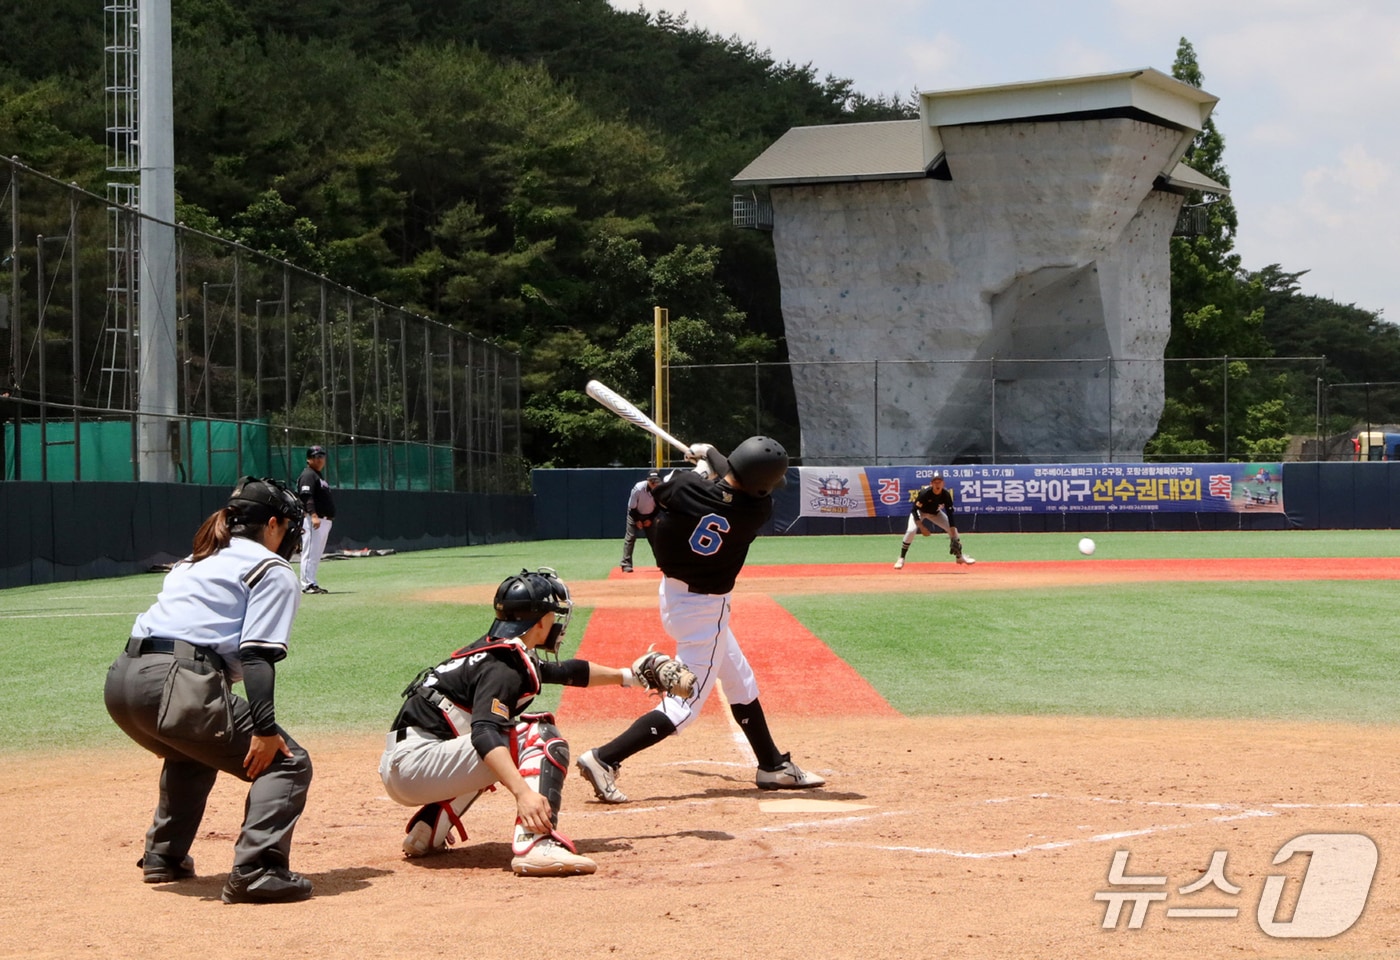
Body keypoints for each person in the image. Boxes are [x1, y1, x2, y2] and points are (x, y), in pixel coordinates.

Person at [576, 436, 825, 804]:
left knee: (739, 677)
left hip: (677, 596)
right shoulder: (758, 510)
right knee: (684, 705)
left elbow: (664, 492)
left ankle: (771, 764)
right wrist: (710, 457)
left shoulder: (684, 487)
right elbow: (733, 486)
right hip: (703, 612)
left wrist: (702, 465)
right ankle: (604, 758)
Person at [103, 477, 315, 905]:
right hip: (175, 684)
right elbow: (256, 655)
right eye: (288, 525)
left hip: (122, 683)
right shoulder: (270, 569)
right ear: (272, 524)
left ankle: (164, 856)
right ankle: (257, 871)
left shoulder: (195, 559)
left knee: (192, 750)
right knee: (287, 764)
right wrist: (264, 728)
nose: (291, 534)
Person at [380, 567, 649, 876]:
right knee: (538, 734)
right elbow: (483, 732)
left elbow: (565, 672)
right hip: (419, 765)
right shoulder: (503, 666)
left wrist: (630, 676)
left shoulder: (492, 651)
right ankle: (536, 844)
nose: (558, 624)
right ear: (541, 621)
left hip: (409, 764)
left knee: (497, 749)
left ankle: (428, 829)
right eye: (554, 615)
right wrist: (522, 792)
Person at [894, 471, 974, 569]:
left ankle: (959, 557)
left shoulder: (946, 495)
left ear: (943, 483)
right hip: (920, 512)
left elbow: (950, 514)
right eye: (935, 482)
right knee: (911, 531)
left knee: (954, 531)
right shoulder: (925, 493)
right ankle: (901, 558)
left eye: (939, 482)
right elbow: (914, 510)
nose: (937, 484)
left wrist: (953, 532)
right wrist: (922, 528)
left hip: (935, 513)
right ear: (931, 484)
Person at [296, 444, 336, 594]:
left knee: (316, 554)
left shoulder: (317, 475)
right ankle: (307, 584)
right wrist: (313, 515)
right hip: (315, 520)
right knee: (310, 553)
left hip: (324, 520)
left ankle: (311, 582)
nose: (319, 459)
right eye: (315, 457)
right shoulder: (308, 475)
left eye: (321, 456)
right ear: (308, 459)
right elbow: (306, 496)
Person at [619, 469, 661, 572]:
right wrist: (637, 520)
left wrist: (650, 519)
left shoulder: (661, 489)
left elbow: (659, 507)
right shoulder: (638, 488)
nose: (654, 483)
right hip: (635, 514)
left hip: (650, 515)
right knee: (631, 537)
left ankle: (662, 563)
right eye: (652, 481)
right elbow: (632, 508)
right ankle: (626, 564)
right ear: (647, 480)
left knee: (655, 539)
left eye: (656, 481)